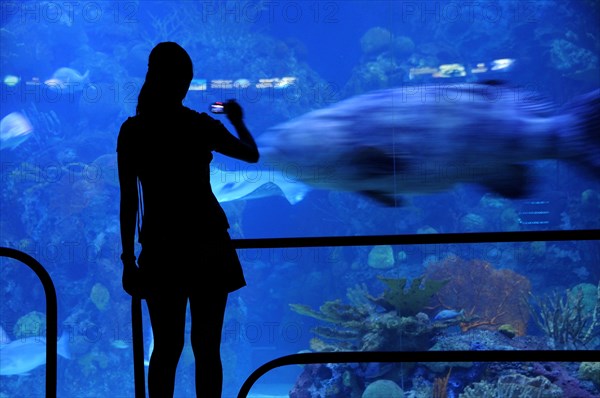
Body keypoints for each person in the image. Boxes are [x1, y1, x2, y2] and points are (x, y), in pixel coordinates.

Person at [117, 41, 259, 398]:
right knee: (207, 347)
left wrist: (127, 259)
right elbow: (251, 155)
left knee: (166, 349)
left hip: (161, 249)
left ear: (152, 77)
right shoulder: (199, 125)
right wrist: (237, 120)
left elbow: (129, 200)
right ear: (185, 82)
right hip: (209, 243)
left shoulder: (133, 130)